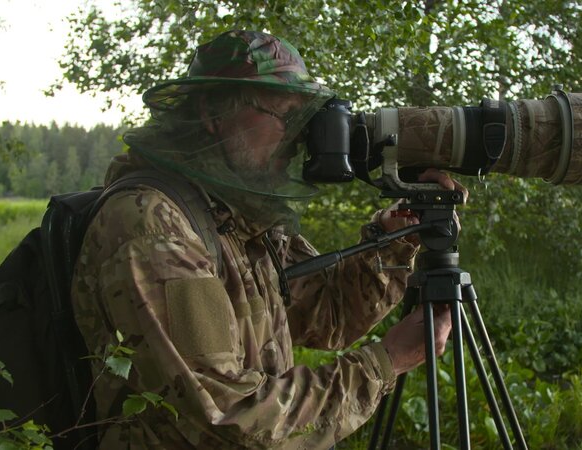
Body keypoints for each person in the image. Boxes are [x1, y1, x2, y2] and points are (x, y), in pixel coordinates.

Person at [71, 29, 464, 449]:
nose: (296, 139)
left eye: (302, 119)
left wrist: (395, 235)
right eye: (283, 116)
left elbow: (328, 314)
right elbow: (226, 420)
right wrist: (386, 362)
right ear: (213, 113)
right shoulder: (154, 227)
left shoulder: (238, 218)